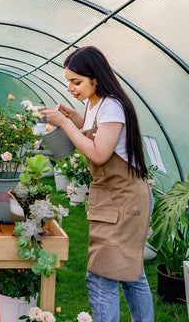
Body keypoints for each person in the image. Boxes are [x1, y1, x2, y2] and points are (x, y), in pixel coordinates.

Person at [42, 46, 154, 322]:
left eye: (76, 81)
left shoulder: (112, 105)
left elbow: (99, 153)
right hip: (114, 197)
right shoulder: (96, 104)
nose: (70, 87)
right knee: (131, 273)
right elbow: (98, 137)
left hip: (124, 201)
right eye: (68, 80)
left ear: (96, 78)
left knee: (101, 276)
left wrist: (65, 126)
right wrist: (76, 119)